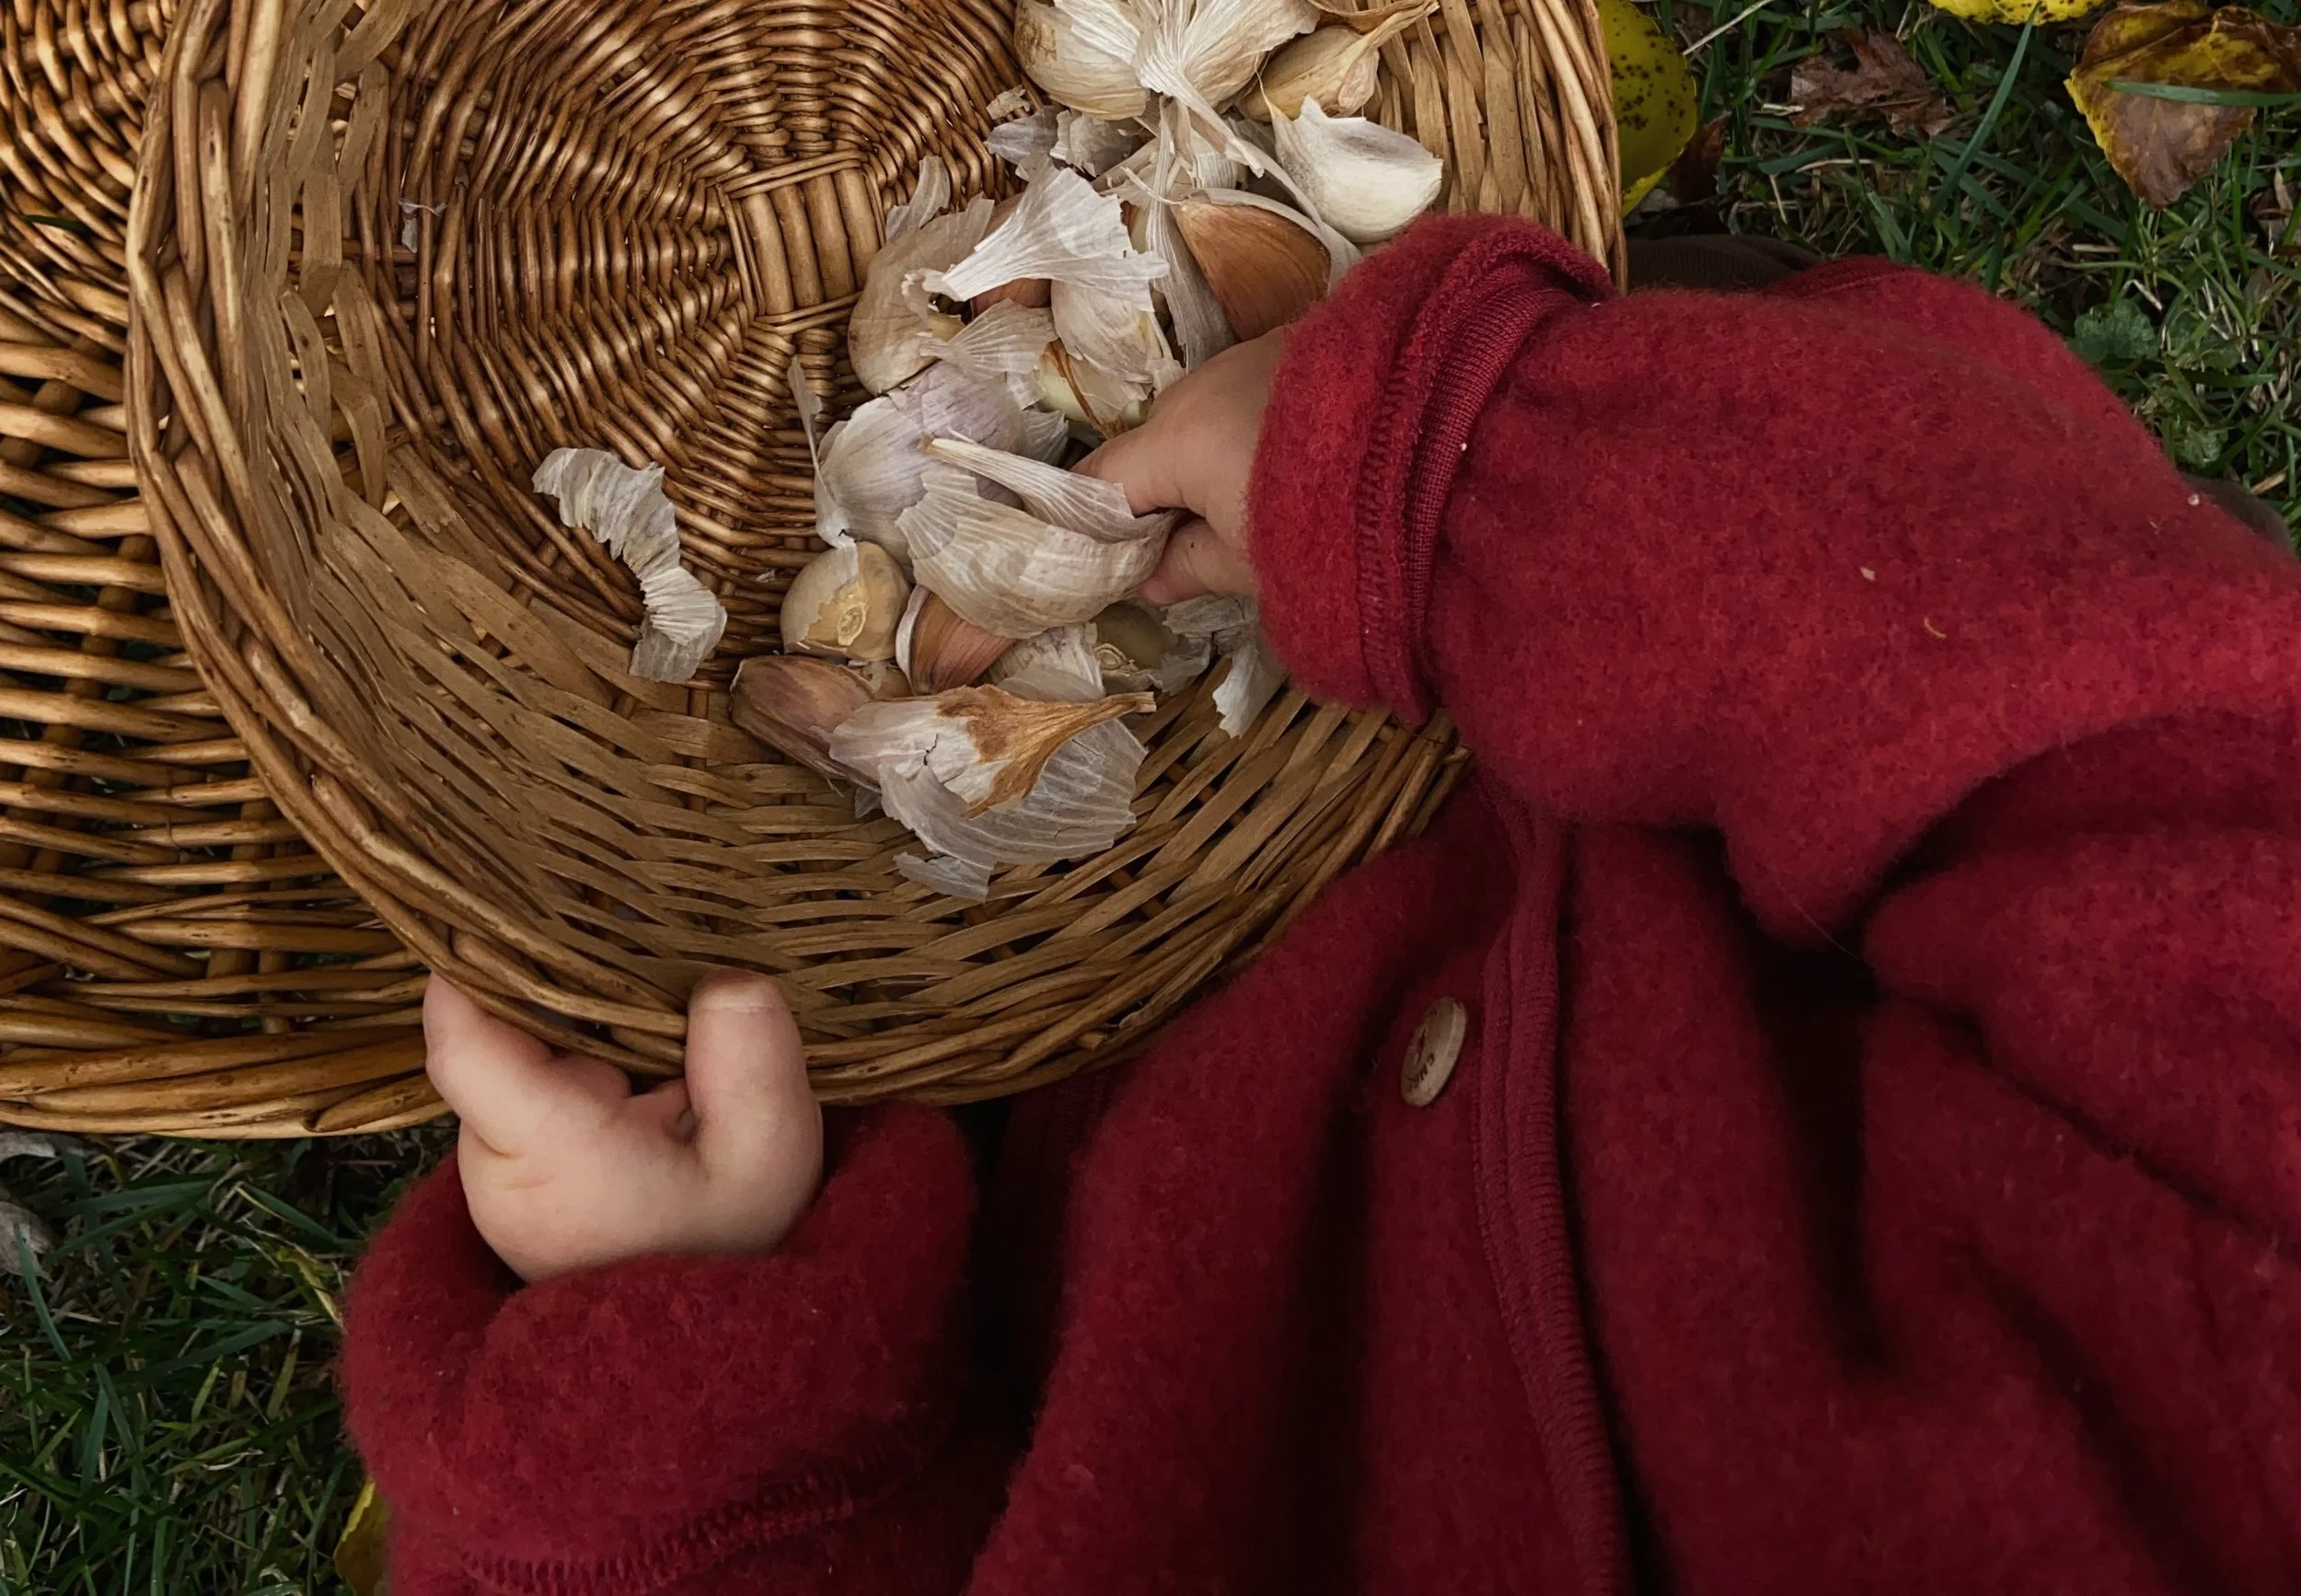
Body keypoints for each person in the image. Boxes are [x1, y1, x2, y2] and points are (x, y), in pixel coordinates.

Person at [339, 215, 2301, 1594]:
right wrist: (1455, 471)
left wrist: (672, 1354)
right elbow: (2133, 766)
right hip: (1663, 682)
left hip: (1025, 1114)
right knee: (1759, 412)